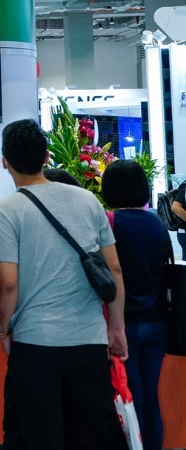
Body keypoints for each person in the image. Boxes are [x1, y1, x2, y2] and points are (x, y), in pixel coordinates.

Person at [0, 118, 127, 450]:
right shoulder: (87, 200)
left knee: (39, 435)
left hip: (34, 343)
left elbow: (9, 284)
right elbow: (114, 269)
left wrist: (4, 330)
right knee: (94, 436)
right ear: (47, 157)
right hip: (89, 340)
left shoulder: (4, 212)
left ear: (5, 161)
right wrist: (116, 327)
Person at [102, 159, 172, 450]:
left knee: (129, 395)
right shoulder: (156, 222)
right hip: (157, 321)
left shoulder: (110, 223)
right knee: (151, 397)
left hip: (123, 323)